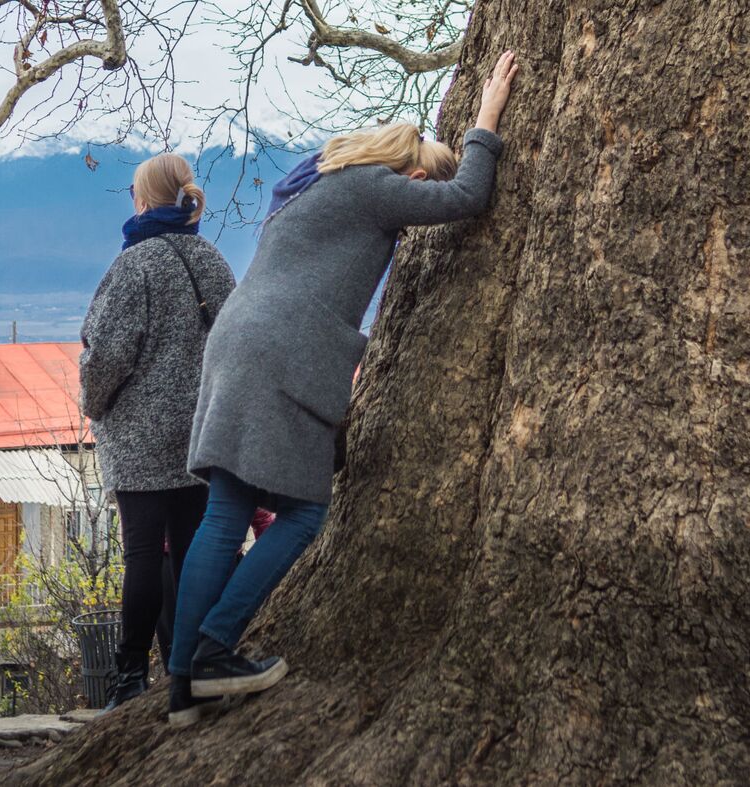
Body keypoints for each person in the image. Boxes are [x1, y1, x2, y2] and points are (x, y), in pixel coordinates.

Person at [166, 51, 520, 727]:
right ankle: (215, 648)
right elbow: (467, 197)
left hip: (238, 340)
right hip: (285, 352)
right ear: (410, 169)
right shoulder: (375, 186)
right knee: (303, 513)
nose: (417, 193)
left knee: (225, 513)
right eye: (420, 181)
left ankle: (183, 685)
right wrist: (485, 118)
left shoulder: (317, 181)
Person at [78, 152, 236, 711]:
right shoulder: (213, 262)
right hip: (198, 432)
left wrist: (95, 406)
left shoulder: (134, 266)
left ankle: (127, 679)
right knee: (192, 552)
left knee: (143, 555)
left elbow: (106, 357)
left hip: (140, 437)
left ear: (142, 201)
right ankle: (188, 666)